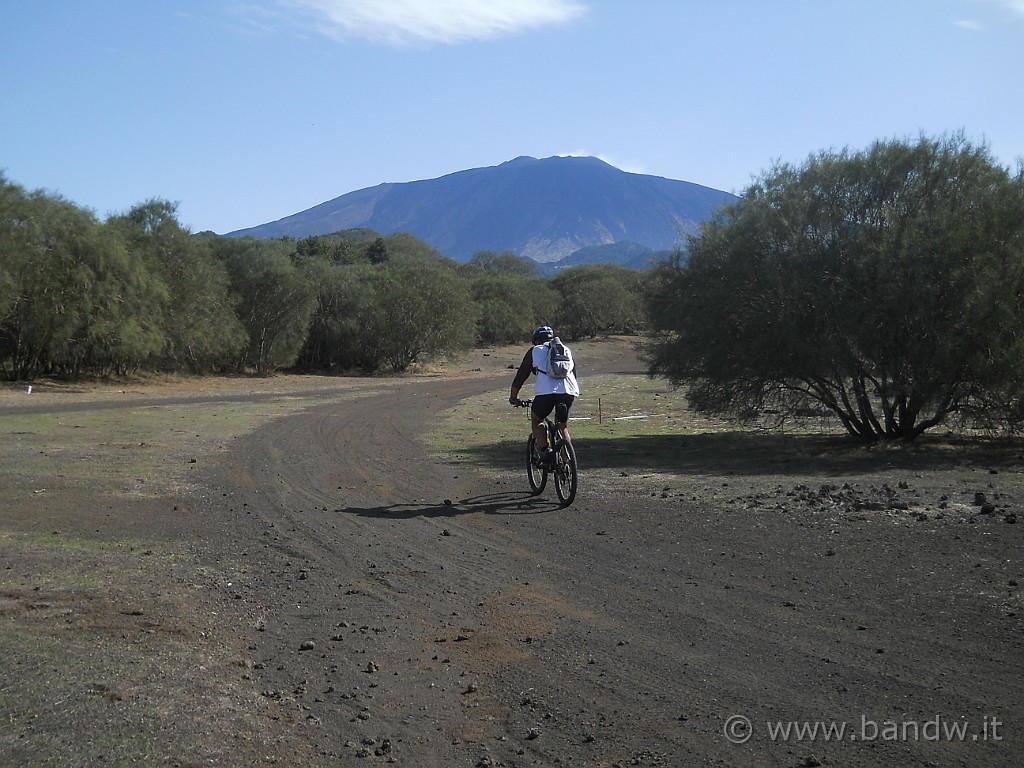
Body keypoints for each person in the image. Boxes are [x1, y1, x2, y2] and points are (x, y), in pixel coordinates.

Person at [509, 325, 580, 466]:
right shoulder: (566, 350)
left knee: (536, 420)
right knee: (563, 426)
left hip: (546, 393)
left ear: (536, 340)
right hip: (568, 391)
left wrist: (514, 397)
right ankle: (568, 464)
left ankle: (545, 452)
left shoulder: (535, 351)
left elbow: (521, 375)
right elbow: (574, 374)